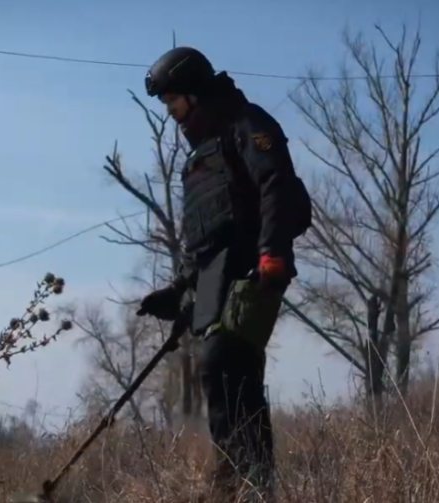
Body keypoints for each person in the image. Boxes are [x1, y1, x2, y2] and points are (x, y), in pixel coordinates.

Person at [136, 46, 312, 502]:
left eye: (173, 100)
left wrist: (272, 255)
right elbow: (205, 237)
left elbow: (276, 183)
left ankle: (246, 483)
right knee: (221, 373)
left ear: (194, 92)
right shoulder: (199, 159)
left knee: (227, 365)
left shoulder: (246, 123)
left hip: (254, 267)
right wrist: (179, 291)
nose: (171, 112)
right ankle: (240, 482)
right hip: (216, 276)